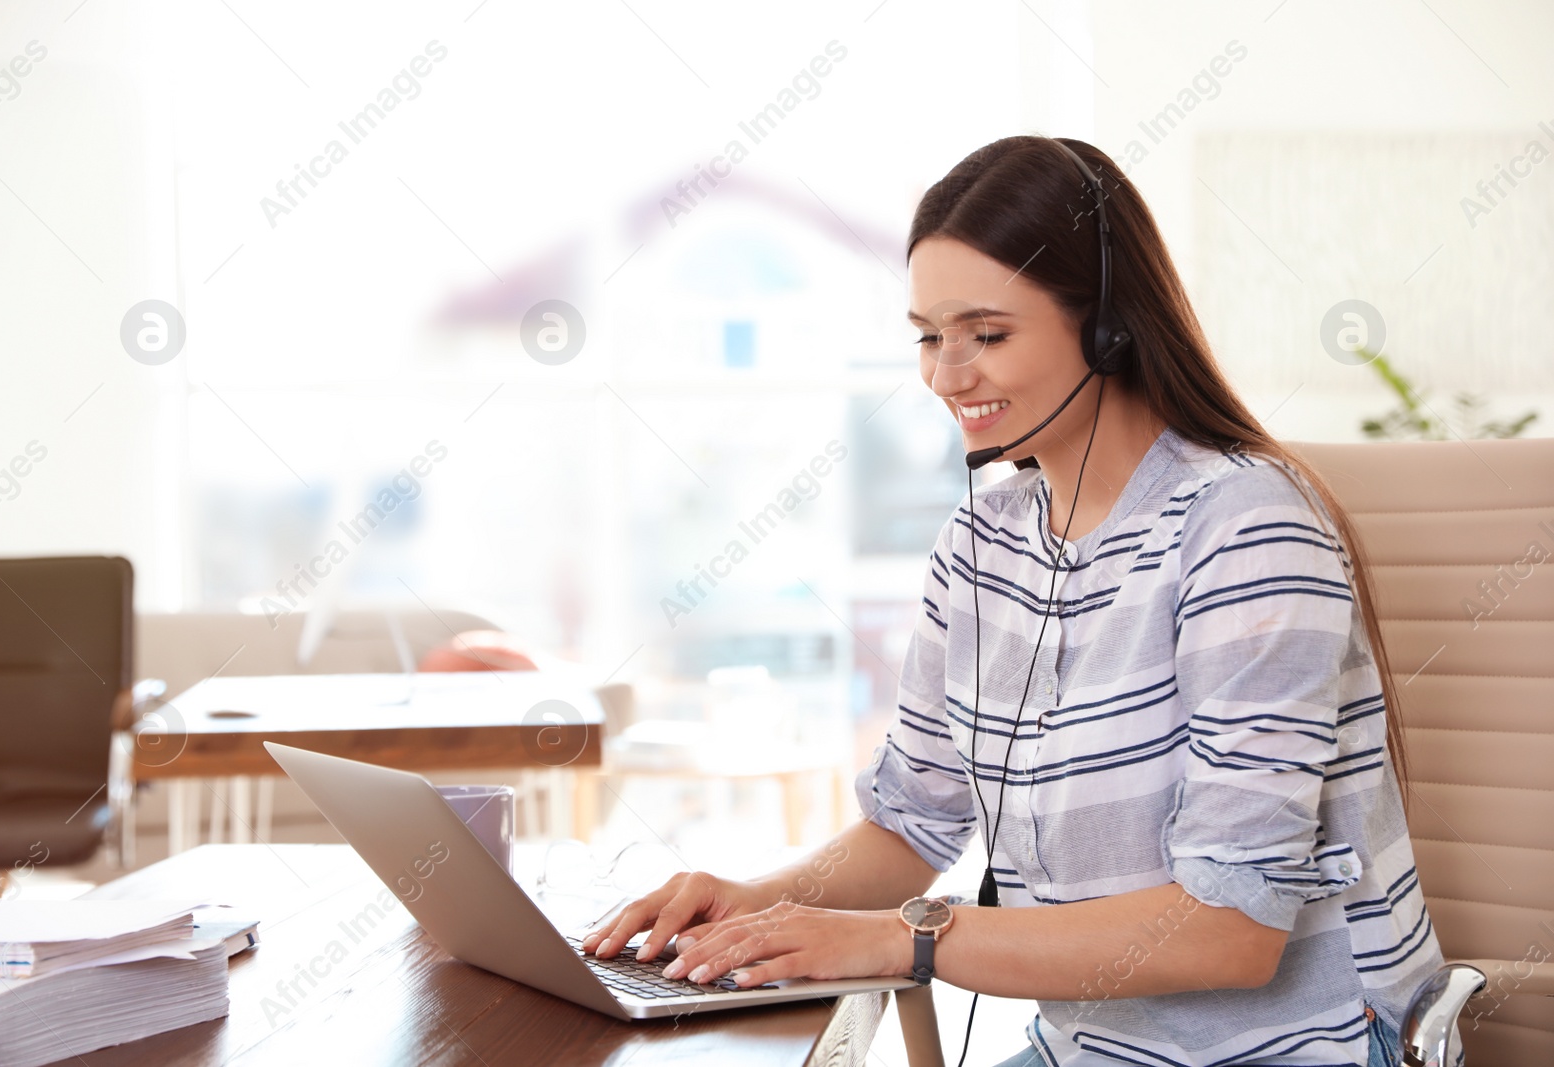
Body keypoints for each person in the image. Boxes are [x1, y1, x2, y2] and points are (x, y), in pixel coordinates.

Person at [580, 136, 1444, 1066]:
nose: (946, 375)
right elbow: (911, 824)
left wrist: (909, 937)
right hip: (1090, 1049)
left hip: (1295, 1048)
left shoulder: (1245, 529)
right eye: (928, 335)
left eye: (986, 334)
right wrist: (757, 903)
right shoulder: (982, 545)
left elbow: (1229, 930)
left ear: (1109, 325)